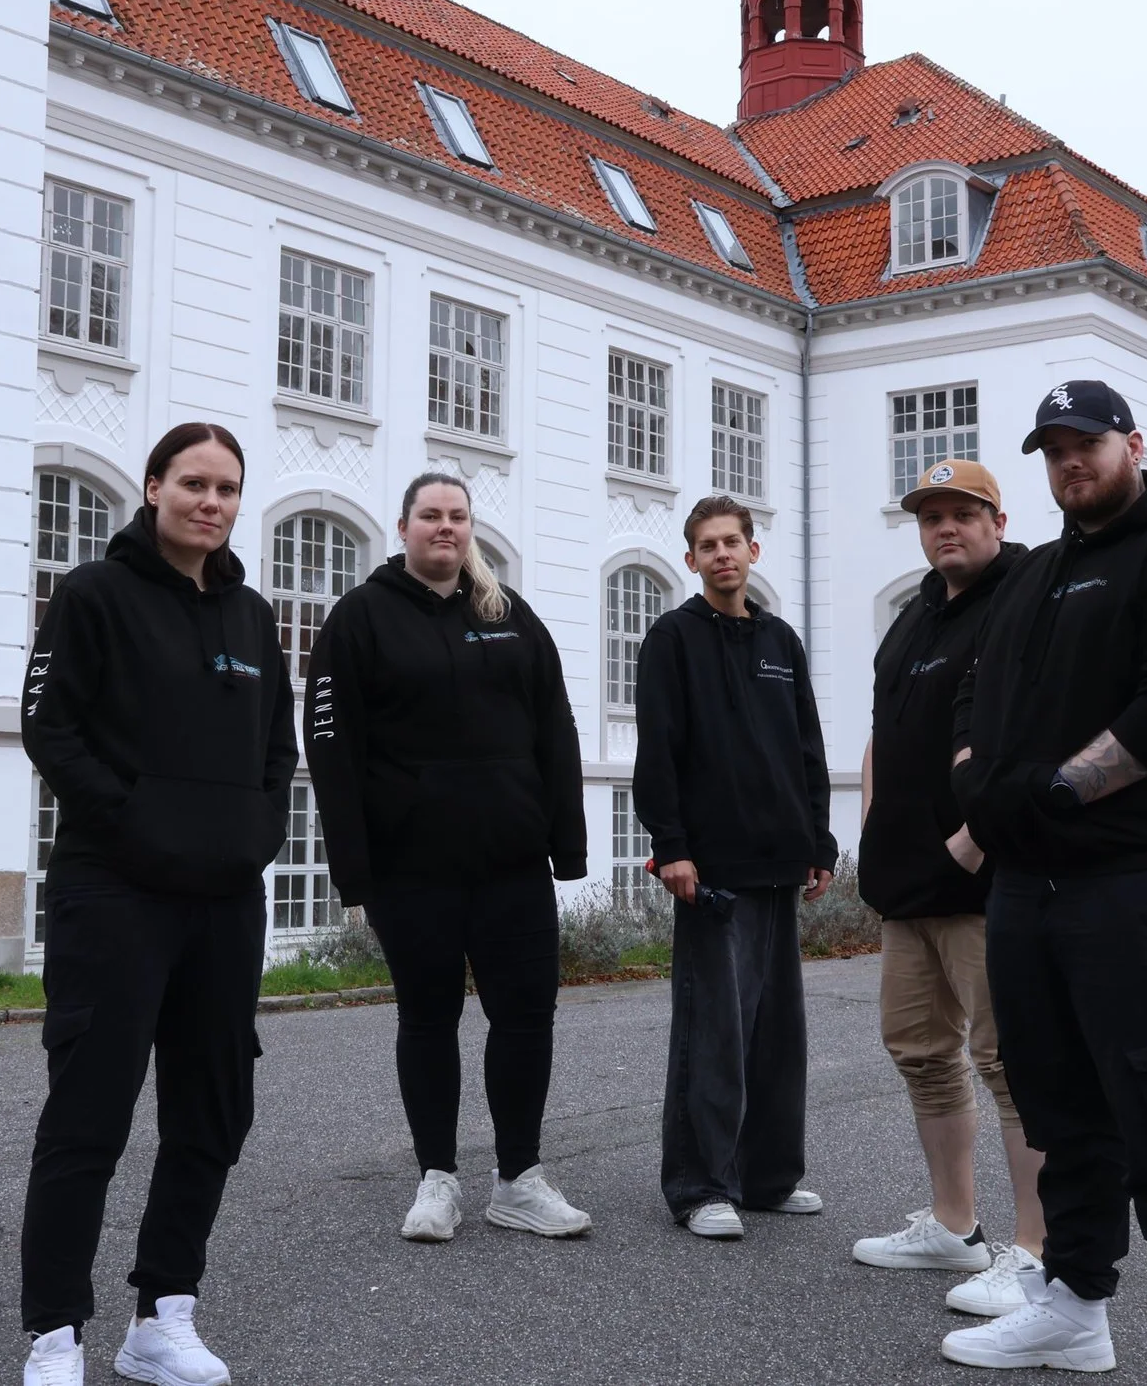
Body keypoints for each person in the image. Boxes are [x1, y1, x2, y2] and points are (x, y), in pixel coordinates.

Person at [943, 381, 1147, 1384]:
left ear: (1132, 442)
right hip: (1033, 890)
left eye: (1088, 443)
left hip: (1139, 878)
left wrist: (1054, 796)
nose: (1070, 461)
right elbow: (986, 709)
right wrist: (985, 797)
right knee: (1059, 1104)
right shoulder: (1035, 580)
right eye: (1054, 449)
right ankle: (1072, 1304)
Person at [18, 423, 296, 1386]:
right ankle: (55, 1334)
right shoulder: (93, 596)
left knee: (211, 1112)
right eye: (192, 483)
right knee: (89, 1112)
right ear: (153, 488)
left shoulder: (254, 617)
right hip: (116, 888)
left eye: (226, 488)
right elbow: (48, 727)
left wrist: (257, 832)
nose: (210, 503)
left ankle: (162, 1316)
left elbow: (278, 748)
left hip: (223, 900)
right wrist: (132, 819)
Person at [304, 471, 592, 1243]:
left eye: (457, 516)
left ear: (471, 528)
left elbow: (555, 729)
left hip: (510, 864)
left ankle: (518, 1177)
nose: (445, 527)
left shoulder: (508, 614)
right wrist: (354, 869)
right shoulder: (359, 619)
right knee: (428, 1017)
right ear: (402, 527)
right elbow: (331, 748)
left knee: (527, 1016)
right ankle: (437, 1177)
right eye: (430, 515)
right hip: (412, 868)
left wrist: (567, 846)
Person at [852, 459, 1050, 1317]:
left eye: (963, 513)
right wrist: (868, 820)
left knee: (1010, 1063)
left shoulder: (1026, 595)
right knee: (921, 1052)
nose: (946, 528)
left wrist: (980, 835)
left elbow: (1048, 721)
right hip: (907, 883)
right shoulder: (915, 615)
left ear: (997, 520)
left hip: (986, 879)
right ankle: (952, 1223)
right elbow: (881, 731)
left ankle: (1036, 1250)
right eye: (932, 516)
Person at [634, 494, 835, 1239]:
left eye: (733, 541)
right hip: (710, 868)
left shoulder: (782, 641)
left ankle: (767, 1175)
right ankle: (699, 1184)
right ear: (692, 559)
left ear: (754, 550)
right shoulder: (672, 639)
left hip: (780, 860)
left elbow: (806, 747)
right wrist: (672, 846)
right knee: (713, 1031)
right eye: (708, 545)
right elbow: (657, 754)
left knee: (778, 1033)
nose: (722, 553)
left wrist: (819, 840)